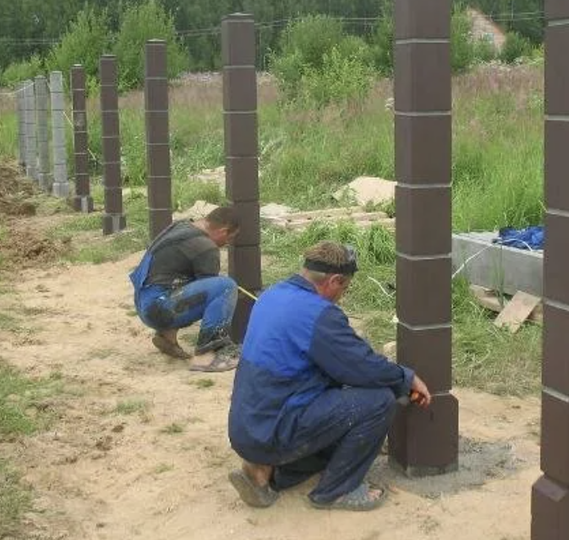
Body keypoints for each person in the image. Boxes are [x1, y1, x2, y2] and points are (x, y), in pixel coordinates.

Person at [227, 240, 431, 511]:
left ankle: (268, 471)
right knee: (378, 401)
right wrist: (406, 378)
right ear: (334, 281)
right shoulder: (318, 315)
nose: (342, 296)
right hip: (275, 428)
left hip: (248, 427)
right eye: (344, 288)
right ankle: (337, 491)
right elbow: (362, 367)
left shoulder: (272, 295)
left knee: (336, 404)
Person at [129, 206, 242, 373]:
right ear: (223, 231)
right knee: (225, 287)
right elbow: (209, 295)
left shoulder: (181, 227)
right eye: (230, 238)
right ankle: (208, 354)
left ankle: (167, 337)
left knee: (181, 280)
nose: (227, 244)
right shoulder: (206, 247)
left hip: (144, 302)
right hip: (158, 308)